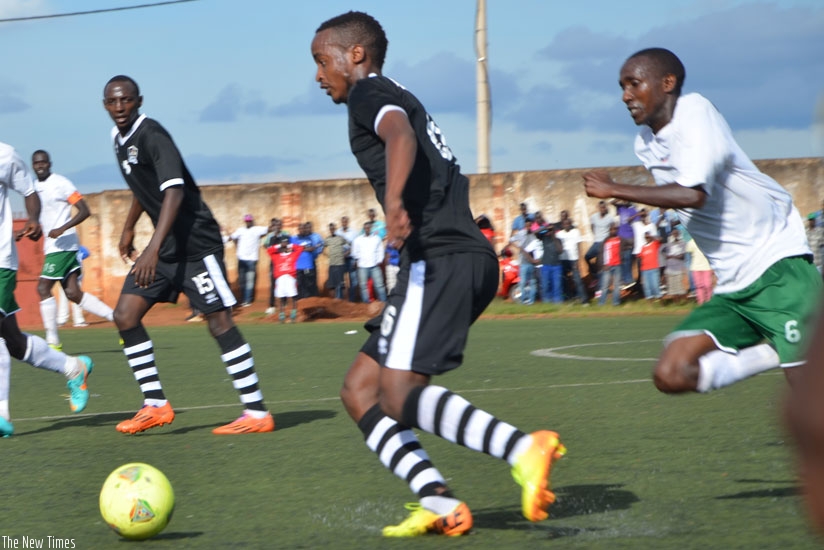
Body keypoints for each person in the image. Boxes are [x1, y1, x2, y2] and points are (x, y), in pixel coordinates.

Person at [312, 11, 565, 537]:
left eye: (322, 60)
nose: (319, 75)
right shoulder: (392, 91)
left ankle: (523, 449)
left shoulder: (369, 93)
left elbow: (399, 137)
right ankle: (437, 499)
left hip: (442, 258)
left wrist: (396, 205)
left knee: (399, 393)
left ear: (355, 55)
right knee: (360, 390)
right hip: (452, 257)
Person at [582, 47, 821, 395]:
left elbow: (693, 194)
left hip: (777, 266)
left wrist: (613, 188)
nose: (625, 95)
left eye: (634, 84)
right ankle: (773, 350)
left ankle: (789, 349)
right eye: (622, 86)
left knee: (810, 405)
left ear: (668, 83)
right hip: (733, 285)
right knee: (671, 373)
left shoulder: (695, 110)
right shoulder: (645, 143)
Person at [102, 75, 273, 434]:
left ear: (138, 100)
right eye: (112, 102)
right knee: (125, 314)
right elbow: (143, 185)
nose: (119, 108)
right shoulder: (118, 139)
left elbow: (174, 193)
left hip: (195, 244)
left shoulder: (153, 135)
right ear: (105, 105)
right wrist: (130, 226)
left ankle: (257, 414)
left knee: (219, 322)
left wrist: (150, 248)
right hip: (165, 248)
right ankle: (156, 405)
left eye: (126, 101)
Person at [0, 142, 93, 437]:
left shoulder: (4, 155)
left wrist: (32, 219)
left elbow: (28, 192)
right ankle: (73, 367)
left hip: (0, 260)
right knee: (13, 341)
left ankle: (1, 414)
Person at [32, 150, 114, 350]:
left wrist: (62, 228)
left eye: (43, 162)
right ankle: (119, 318)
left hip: (64, 245)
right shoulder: (33, 188)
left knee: (43, 288)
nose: (40, 166)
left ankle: (53, 342)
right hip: (52, 246)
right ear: (33, 166)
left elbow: (85, 210)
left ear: (50, 163)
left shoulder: (61, 183)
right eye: (36, 163)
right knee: (73, 293)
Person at [230, 214, 268, 307]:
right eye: (247, 221)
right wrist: (237, 246)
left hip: (252, 259)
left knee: (250, 281)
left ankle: (248, 300)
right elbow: (232, 237)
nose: (248, 222)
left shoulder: (256, 229)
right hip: (241, 259)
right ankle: (243, 299)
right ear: (245, 221)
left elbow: (268, 229)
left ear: (252, 221)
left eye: (249, 221)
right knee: (242, 280)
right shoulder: (240, 230)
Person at [266, 236, 303, 323]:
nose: (284, 246)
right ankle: (281, 315)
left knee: (293, 296)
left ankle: (293, 314)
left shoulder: (293, 255)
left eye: (285, 244)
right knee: (281, 297)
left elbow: (300, 248)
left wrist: (289, 245)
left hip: (290, 278)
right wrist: (279, 245)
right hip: (280, 279)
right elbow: (269, 250)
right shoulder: (276, 256)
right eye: (283, 244)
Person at [351, 221, 386, 303]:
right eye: (365, 228)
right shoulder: (358, 240)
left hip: (374, 265)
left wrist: (379, 260)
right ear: (364, 229)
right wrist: (358, 260)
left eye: (369, 228)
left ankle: (384, 302)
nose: (367, 229)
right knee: (363, 286)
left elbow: (380, 250)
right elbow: (354, 252)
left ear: (371, 229)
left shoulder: (376, 238)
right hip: (362, 266)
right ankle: (366, 304)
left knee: (379, 285)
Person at [263, 218, 290, 315]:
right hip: (274, 264)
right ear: (274, 226)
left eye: (279, 225)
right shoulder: (271, 237)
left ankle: (284, 303)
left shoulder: (285, 235)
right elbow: (270, 249)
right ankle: (272, 305)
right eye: (276, 225)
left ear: (281, 226)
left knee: (284, 283)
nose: (277, 227)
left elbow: (287, 248)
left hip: (283, 264)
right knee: (273, 284)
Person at [291, 222, 324, 299]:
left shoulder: (310, 238)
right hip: (298, 265)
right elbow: (293, 249)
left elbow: (314, 247)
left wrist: (303, 248)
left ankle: (311, 300)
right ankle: (300, 301)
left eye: (304, 228)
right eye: (301, 228)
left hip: (309, 265)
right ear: (298, 229)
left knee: (310, 283)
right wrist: (304, 249)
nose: (303, 230)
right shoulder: (294, 238)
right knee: (299, 283)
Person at [336, 215, 359, 302]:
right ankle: (339, 300)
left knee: (353, 281)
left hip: (351, 259)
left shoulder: (354, 232)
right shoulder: (337, 232)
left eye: (345, 221)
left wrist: (355, 259)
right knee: (339, 281)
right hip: (341, 260)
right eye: (343, 222)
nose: (344, 223)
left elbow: (356, 246)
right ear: (341, 222)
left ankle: (352, 300)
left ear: (348, 222)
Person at [598, 223, 622, 306]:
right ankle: (601, 303)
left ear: (617, 230)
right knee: (604, 285)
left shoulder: (620, 239)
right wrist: (603, 265)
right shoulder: (606, 240)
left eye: (615, 229)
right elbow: (601, 253)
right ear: (609, 230)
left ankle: (616, 303)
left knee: (617, 285)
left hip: (618, 265)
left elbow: (628, 245)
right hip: (607, 266)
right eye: (612, 229)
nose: (613, 231)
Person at [685, 237, 712, 304]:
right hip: (696, 267)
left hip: (707, 266)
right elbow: (688, 253)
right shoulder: (691, 242)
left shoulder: (707, 241)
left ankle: (709, 301)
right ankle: (701, 302)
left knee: (707, 285)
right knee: (699, 286)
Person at [324, 222, 347, 299]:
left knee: (341, 283)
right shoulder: (327, 239)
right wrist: (327, 255)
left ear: (335, 229)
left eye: (333, 229)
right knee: (332, 284)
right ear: (329, 230)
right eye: (331, 229)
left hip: (340, 263)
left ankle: (340, 300)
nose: (332, 230)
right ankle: (335, 300)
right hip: (332, 264)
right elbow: (322, 248)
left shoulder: (340, 238)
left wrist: (345, 254)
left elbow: (350, 245)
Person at [639, 230, 663, 301]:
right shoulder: (643, 247)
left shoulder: (655, 244)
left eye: (648, 237)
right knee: (647, 287)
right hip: (645, 269)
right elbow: (641, 257)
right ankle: (650, 302)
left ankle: (659, 299)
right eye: (646, 237)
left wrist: (652, 237)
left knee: (655, 285)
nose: (647, 238)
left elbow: (660, 239)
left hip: (654, 268)